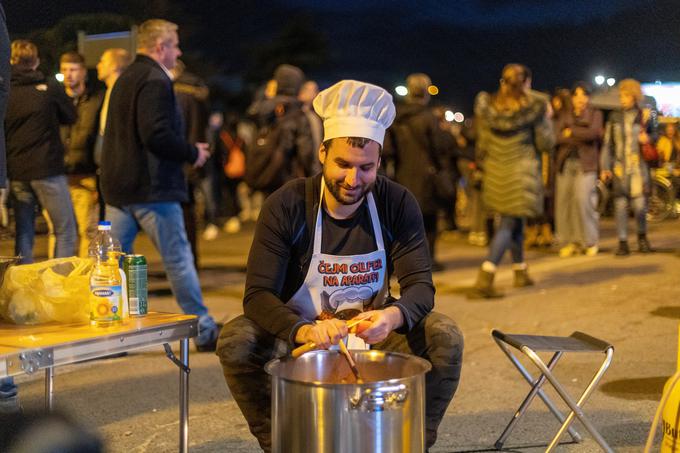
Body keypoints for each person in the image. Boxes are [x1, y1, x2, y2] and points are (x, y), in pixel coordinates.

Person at [216, 80, 463, 452]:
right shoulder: (288, 204)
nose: (352, 180)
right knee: (235, 341)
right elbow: (258, 295)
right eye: (343, 165)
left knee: (445, 336)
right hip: (300, 330)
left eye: (366, 168)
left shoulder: (396, 202)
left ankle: (414, 441)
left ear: (379, 161)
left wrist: (392, 317)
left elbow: (420, 288)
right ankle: (278, 441)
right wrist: (302, 331)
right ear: (322, 153)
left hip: (372, 330)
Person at [99, 19, 220, 351]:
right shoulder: (155, 80)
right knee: (178, 258)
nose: (179, 51)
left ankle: (105, 329)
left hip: (120, 186)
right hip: (152, 188)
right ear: (160, 46)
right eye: (175, 44)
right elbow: (156, 134)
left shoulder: (125, 78)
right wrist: (191, 151)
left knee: (111, 263)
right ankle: (205, 327)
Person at [470, 64, 554, 298]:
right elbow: (545, 143)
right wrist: (548, 120)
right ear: (526, 82)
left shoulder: (489, 107)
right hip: (522, 172)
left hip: (496, 171)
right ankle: (485, 278)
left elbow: (482, 144)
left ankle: (520, 271)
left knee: (515, 221)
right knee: (508, 224)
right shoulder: (535, 107)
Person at [5, 40, 77, 264]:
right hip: (47, 169)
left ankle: (22, 286)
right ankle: (59, 284)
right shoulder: (49, 88)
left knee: (24, 232)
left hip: (16, 171)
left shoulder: (5, 91)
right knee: (65, 229)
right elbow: (71, 116)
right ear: (36, 61)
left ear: (11, 61)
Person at [385, 73, 451, 271]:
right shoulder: (428, 117)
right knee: (429, 221)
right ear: (426, 92)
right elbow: (438, 147)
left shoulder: (396, 118)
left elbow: (388, 149)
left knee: (402, 221)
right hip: (426, 176)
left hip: (402, 175)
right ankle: (427, 260)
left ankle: (397, 263)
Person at [55, 51, 104, 258]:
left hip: (86, 174)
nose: (69, 75)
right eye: (65, 70)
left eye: (73, 70)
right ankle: (59, 280)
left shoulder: (95, 100)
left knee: (89, 230)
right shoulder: (54, 99)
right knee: (58, 232)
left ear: (83, 72)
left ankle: (85, 280)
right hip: (58, 175)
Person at [600, 79, 652, 256]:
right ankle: (623, 242)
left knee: (639, 206)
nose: (623, 99)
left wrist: (648, 139)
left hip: (639, 167)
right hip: (620, 167)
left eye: (626, 95)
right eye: (621, 95)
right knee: (620, 205)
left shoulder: (644, 116)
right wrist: (605, 167)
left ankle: (642, 237)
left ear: (635, 97)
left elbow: (656, 137)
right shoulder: (614, 117)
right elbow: (607, 144)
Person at [554, 82, 604, 257]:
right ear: (572, 98)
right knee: (565, 203)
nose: (580, 99)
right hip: (566, 163)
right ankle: (569, 242)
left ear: (589, 98)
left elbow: (594, 133)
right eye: (577, 95)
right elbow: (557, 137)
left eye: (584, 95)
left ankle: (589, 241)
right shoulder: (564, 114)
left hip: (586, 164)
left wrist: (571, 132)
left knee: (583, 201)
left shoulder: (595, 114)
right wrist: (579, 133)